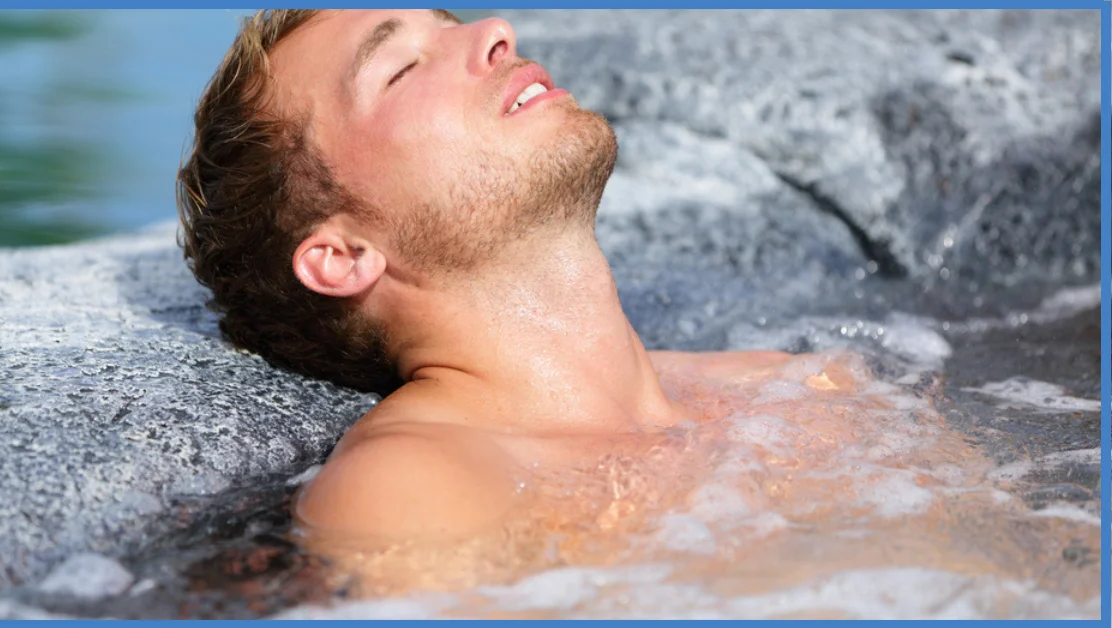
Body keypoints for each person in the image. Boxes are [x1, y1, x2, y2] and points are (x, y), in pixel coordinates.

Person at [176, 8, 836, 591]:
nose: (496, 31)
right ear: (344, 256)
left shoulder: (793, 390)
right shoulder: (411, 488)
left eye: (449, 23)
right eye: (402, 67)